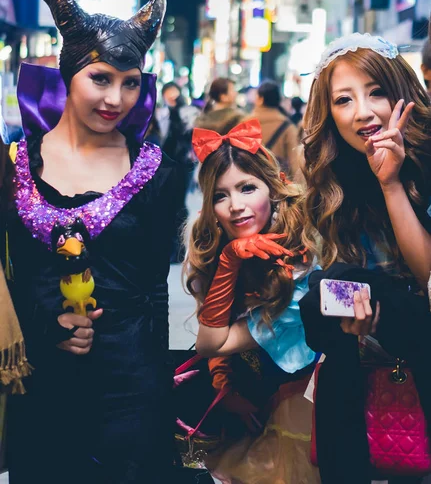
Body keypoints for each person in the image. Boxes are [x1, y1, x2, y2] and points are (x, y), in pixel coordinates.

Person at [5, 0, 178, 484]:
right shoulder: (12, 164)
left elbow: (155, 291)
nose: (115, 99)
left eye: (130, 83)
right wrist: (43, 325)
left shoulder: (157, 171)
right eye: (100, 79)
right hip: (40, 384)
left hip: (130, 394)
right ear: (68, 73)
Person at [298, 33, 431, 484]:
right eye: (343, 100)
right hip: (365, 352)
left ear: (400, 92)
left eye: (375, 91)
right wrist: (348, 321)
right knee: (323, 292)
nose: (363, 112)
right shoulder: (330, 177)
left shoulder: (426, 157)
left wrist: (392, 184)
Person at [184, 118, 320, 484]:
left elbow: (212, 340)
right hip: (245, 401)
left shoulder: (304, 253)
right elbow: (212, 345)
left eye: (247, 188)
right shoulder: (212, 250)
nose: (236, 207)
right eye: (220, 195)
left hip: (302, 403)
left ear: (272, 188)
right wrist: (221, 379)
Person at [157, 82, 199, 261]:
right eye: (169, 94)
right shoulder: (161, 114)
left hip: (184, 164)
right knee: (169, 204)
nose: (172, 97)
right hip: (164, 163)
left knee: (180, 205)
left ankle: (180, 248)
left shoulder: (189, 113)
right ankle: (172, 246)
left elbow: (193, 134)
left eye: (175, 94)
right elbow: (162, 137)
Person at [251, 80, 299, 177]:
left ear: (260, 99)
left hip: (251, 181)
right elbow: (295, 163)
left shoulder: (245, 124)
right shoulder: (288, 127)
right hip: (278, 183)